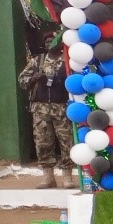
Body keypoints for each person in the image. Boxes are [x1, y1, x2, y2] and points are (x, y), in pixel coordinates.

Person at [18, 28, 75, 188]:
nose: (50, 44)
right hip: (40, 108)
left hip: (62, 107)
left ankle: (67, 177)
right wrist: (33, 78)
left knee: (66, 141)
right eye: (47, 42)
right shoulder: (38, 61)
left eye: (53, 41)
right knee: (43, 143)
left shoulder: (69, 61)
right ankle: (48, 177)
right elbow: (22, 80)